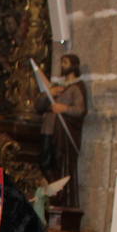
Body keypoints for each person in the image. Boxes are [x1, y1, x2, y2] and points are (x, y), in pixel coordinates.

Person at [36, 53, 87, 206]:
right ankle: (55, 189)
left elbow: (80, 110)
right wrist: (48, 94)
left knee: (60, 163)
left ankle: (59, 195)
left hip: (62, 134)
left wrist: (64, 108)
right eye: (62, 62)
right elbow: (39, 106)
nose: (62, 65)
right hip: (48, 129)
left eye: (65, 62)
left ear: (73, 65)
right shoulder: (57, 87)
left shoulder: (77, 87)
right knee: (44, 162)